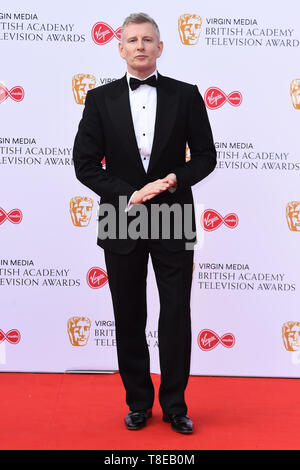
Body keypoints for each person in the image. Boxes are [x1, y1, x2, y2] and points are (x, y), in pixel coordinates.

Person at [73, 12, 216, 434]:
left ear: (160, 47)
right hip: (122, 215)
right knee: (128, 313)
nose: (140, 45)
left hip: (173, 213)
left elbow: (206, 156)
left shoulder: (186, 95)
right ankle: (138, 401)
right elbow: (84, 164)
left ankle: (175, 405)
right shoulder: (100, 99)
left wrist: (175, 178)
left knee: (176, 313)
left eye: (148, 39)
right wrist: (126, 193)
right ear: (120, 48)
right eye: (132, 39)